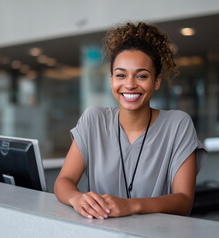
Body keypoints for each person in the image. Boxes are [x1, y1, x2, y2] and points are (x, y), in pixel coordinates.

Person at [54, 22, 207, 220]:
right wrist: (77, 199)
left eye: (142, 76)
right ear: (111, 80)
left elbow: (184, 202)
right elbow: (63, 181)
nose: (130, 84)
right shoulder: (94, 119)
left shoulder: (178, 124)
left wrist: (131, 205)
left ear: (157, 81)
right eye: (121, 75)